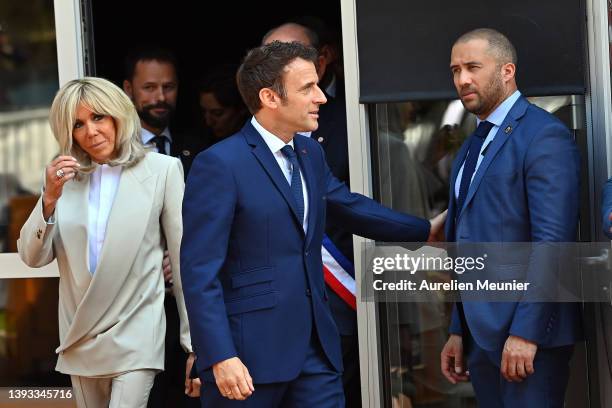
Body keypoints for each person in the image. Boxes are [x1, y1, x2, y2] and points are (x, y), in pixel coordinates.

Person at [181, 41, 446, 407]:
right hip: (248, 355)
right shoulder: (219, 165)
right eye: (308, 88)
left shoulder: (309, 152)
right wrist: (220, 356)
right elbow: (198, 273)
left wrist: (422, 230)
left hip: (316, 351)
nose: (321, 97)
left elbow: (347, 205)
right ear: (270, 98)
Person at [17, 77, 196, 408]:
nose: (90, 131)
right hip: (80, 335)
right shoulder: (64, 180)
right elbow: (31, 256)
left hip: (136, 334)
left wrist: (193, 343)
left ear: (118, 115)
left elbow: (185, 260)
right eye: (78, 124)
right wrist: (49, 198)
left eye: (98, 117)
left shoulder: (163, 170)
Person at [439, 29, 582, 407]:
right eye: (455, 70)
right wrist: (459, 329)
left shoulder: (543, 135)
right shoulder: (473, 144)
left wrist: (526, 334)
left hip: (528, 338)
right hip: (480, 336)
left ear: (507, 71)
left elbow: (554, 242)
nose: (462, 79)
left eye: (473, 67)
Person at [262, 21, 364, 406]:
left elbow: (354, 208)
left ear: (322, 62)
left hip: (343, 311)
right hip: (274, 319)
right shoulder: (238, 150)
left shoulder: (352, 126)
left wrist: (423, 229)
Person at [122, 48, 202, 407]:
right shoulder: (113, 156)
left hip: (190, 300)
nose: (159, 97)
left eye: (168, 87)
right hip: (133, 311)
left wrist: (184, 254)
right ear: (128, 89)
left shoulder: (198, 146)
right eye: (149, 87)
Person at [198, 64, 249, 146]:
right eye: (204, 111)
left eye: (218, 113)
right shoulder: (200, 142)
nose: (208, 122)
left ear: (241, 109)